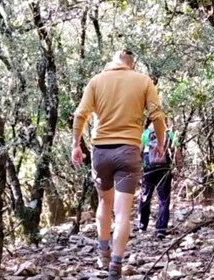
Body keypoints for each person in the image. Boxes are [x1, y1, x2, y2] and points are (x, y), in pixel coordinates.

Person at [71, 50, 167, 279]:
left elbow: (80, 114)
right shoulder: (143, 81)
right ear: (131, 65)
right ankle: (116, 264)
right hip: (128, 151)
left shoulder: (96, 81)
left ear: (112, 62)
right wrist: (160, 143)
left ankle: (103, 250)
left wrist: (76, 144)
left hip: (101, 152)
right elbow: (157, 116)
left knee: (104, 202)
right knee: (123, 211)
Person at [137, 119, 182, 239]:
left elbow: (138, 152)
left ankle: (142, 225)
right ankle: (161, 229)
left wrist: (139, 169)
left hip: (149, 169)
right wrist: (178, 169)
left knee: (145, 196)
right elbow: (177, 153)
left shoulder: (146, 133)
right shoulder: (169, 134)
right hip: (164, 169)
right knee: (164, 199)